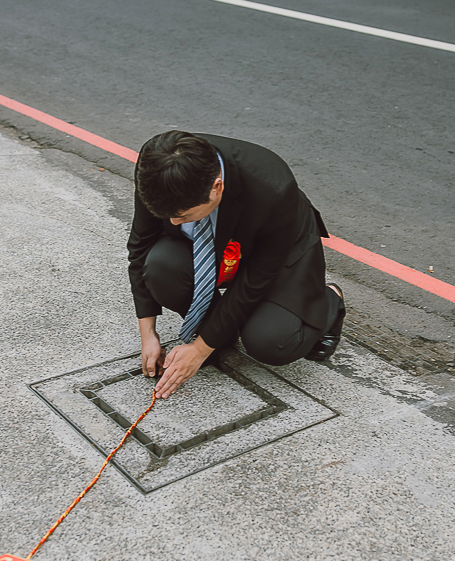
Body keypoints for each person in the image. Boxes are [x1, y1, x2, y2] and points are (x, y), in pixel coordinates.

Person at [127, 131, 345, 399]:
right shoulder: (156, 166)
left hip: (278, 249)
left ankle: (330, 300)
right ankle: (216, 332)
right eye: (167, 215)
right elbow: (140, 245)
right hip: (212, 244)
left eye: (182, 215)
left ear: (216, 187)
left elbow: (255, 280)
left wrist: (198, 351)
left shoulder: (273, 186)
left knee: (271, 342)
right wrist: (148, 334)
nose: (172, 223)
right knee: (160, 265)